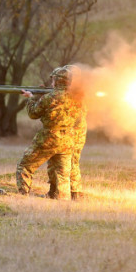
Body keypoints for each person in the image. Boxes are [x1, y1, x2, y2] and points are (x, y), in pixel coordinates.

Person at [16, 66, 85, 200]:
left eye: (53, 80)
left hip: (48, 138)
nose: (51, 83)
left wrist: (30, 98)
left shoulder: (48, 98)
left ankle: (22, 196)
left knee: (25, 165)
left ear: (58, 81)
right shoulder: (77, 98)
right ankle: (62, 199)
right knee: (63, 174)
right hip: (67, 140)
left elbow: (33, 113)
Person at [46, 65, 88, 200]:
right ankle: (55, 190)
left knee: (71, 161)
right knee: (55, 161)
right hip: (67, 131)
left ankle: (75, 193)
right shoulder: (70, 93)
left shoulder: (76, 94)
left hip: (74, 131)